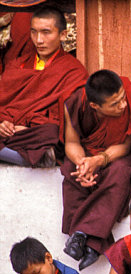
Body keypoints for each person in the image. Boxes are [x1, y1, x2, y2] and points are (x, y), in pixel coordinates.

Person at [61, 69, 131, 270]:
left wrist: (98, 161)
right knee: (70, 168)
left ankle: (81, 233)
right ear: (94, 106)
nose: (123, 105)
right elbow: (72, 143)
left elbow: (125, 146)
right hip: (88, 152)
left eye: (122, 98)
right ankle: (95, 243)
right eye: (115, 104)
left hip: (118, 154)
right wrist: (83, 163)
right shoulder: (75, 103)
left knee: (120, 171)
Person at [0, 6, 88, 167]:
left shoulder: (73, 70)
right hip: (11, 131)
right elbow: (3, 101)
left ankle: (23, 154)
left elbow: (67, 117)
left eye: (46, 32)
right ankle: (35, 157)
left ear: (62, 34)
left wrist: (27, 127)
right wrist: (3, 123)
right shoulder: (17, 65)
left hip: (37, 132)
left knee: (51, 132)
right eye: (34, 32)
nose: (39, 40)